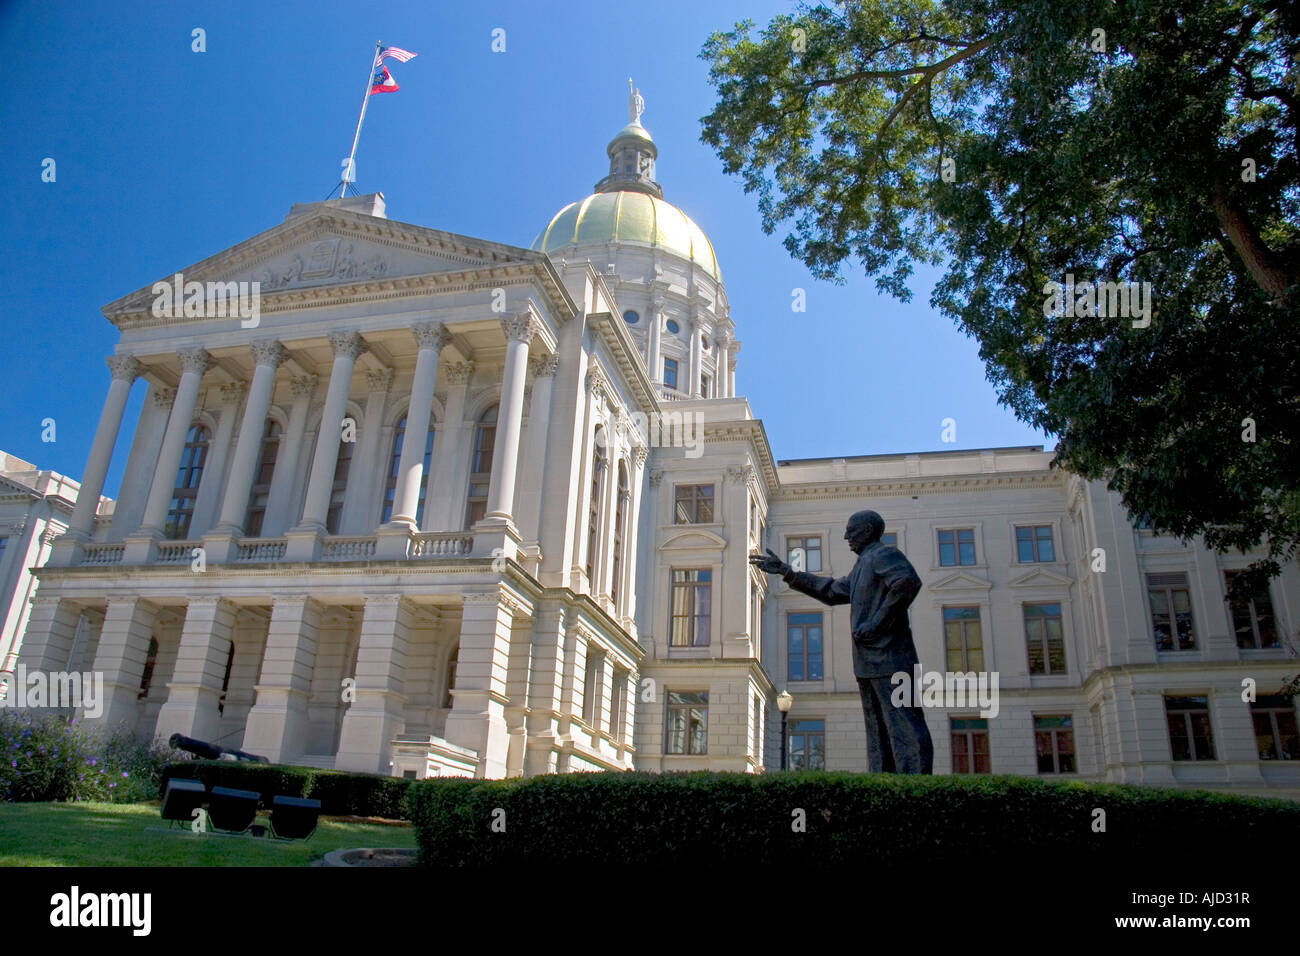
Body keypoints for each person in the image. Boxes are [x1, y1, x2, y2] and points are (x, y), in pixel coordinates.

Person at [750, 510, 934, 773]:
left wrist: (876, 623)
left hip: (892, 658)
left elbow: (907, 583)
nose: (846, 536)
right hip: (869, 662)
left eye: (852, 530)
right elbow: (832, 590)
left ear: (868, 530)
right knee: (878, 731)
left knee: (904, 725)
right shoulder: (863, 565)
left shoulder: (884, 554)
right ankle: (884, 784)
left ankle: (915, 791)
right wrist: (787, 572)